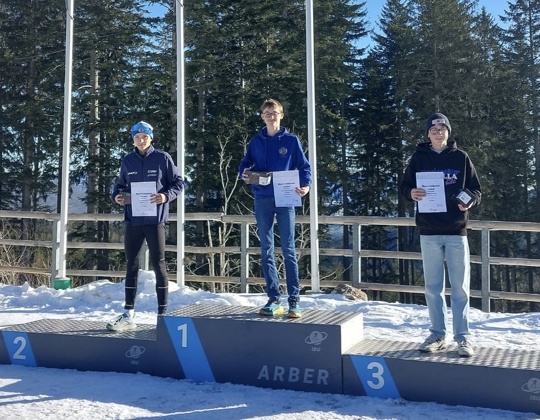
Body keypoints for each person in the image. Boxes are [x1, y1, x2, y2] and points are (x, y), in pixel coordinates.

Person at [399, 113, 482, 357]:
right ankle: (437, 334)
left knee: (461, 289)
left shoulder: (461, 157)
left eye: (442, 128)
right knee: (433, 288)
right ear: (427, 133)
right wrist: (411, 193)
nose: (438, 132)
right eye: (434, 129)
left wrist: (470, 202)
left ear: (448, 132)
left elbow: (476, 189)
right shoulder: (418, 157)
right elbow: (405, 186)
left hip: (456, 230)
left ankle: (463, 338)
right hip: (429, 230)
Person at [106, 121, 184, 331]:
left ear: (151, 138)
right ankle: (128, 312)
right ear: (133, 139)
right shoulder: (128, 161)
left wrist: (165, 196)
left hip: (155, 220)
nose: (141, 140)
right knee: (131, 264)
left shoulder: (163, 158)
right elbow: (119, 186)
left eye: (144, 137)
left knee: (159, 264)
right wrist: (117, 197)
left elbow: (179, 183)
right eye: (137, 137)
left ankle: (163, 313)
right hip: (133, 220)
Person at [239, 99, 312, 318]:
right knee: (266, 249)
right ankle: (273, 297)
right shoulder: (255, 141)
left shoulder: (291, 141)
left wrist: (306, 186)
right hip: (262, 199)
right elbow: (245, 164)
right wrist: (243, 173)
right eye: (267, 113)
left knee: (288, 250)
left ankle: (294, 300)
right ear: (261, 116)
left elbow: (304, 166)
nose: (271, 116)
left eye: (275, 113)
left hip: (286, 198)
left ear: (282, 115)